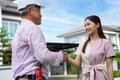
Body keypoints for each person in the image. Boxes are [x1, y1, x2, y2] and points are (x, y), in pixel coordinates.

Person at [11, 0, 67, 80]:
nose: (41, 15)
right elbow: (43, 56)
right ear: (30, 11)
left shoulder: (19, 30)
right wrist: (60, 56)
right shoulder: (32, 28)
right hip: (32, 76)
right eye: (39, 11)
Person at [66, 15, 115, 80]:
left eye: (88, 24)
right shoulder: (82, 43)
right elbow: (77, 63)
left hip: (99, 77)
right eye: (85, 26)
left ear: (97, 25)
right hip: (85, 77)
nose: (86, 27)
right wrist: (67, 58)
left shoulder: (106, 43)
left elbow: (109, 65)